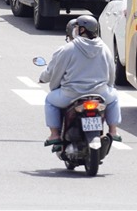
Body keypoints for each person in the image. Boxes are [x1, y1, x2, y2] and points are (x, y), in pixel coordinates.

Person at [39, 15, 121, 146]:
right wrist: (109, 87)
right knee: (114, 97)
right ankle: (113, 131)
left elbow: (56, 72)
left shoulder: (68, 48)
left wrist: (53, 87)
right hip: (100, 93)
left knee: (50, 100)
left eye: (77, 27)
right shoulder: (105, 48)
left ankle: (54, 134)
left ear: (82, 30)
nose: (75, 29)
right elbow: (111, 74)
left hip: (71, 94)